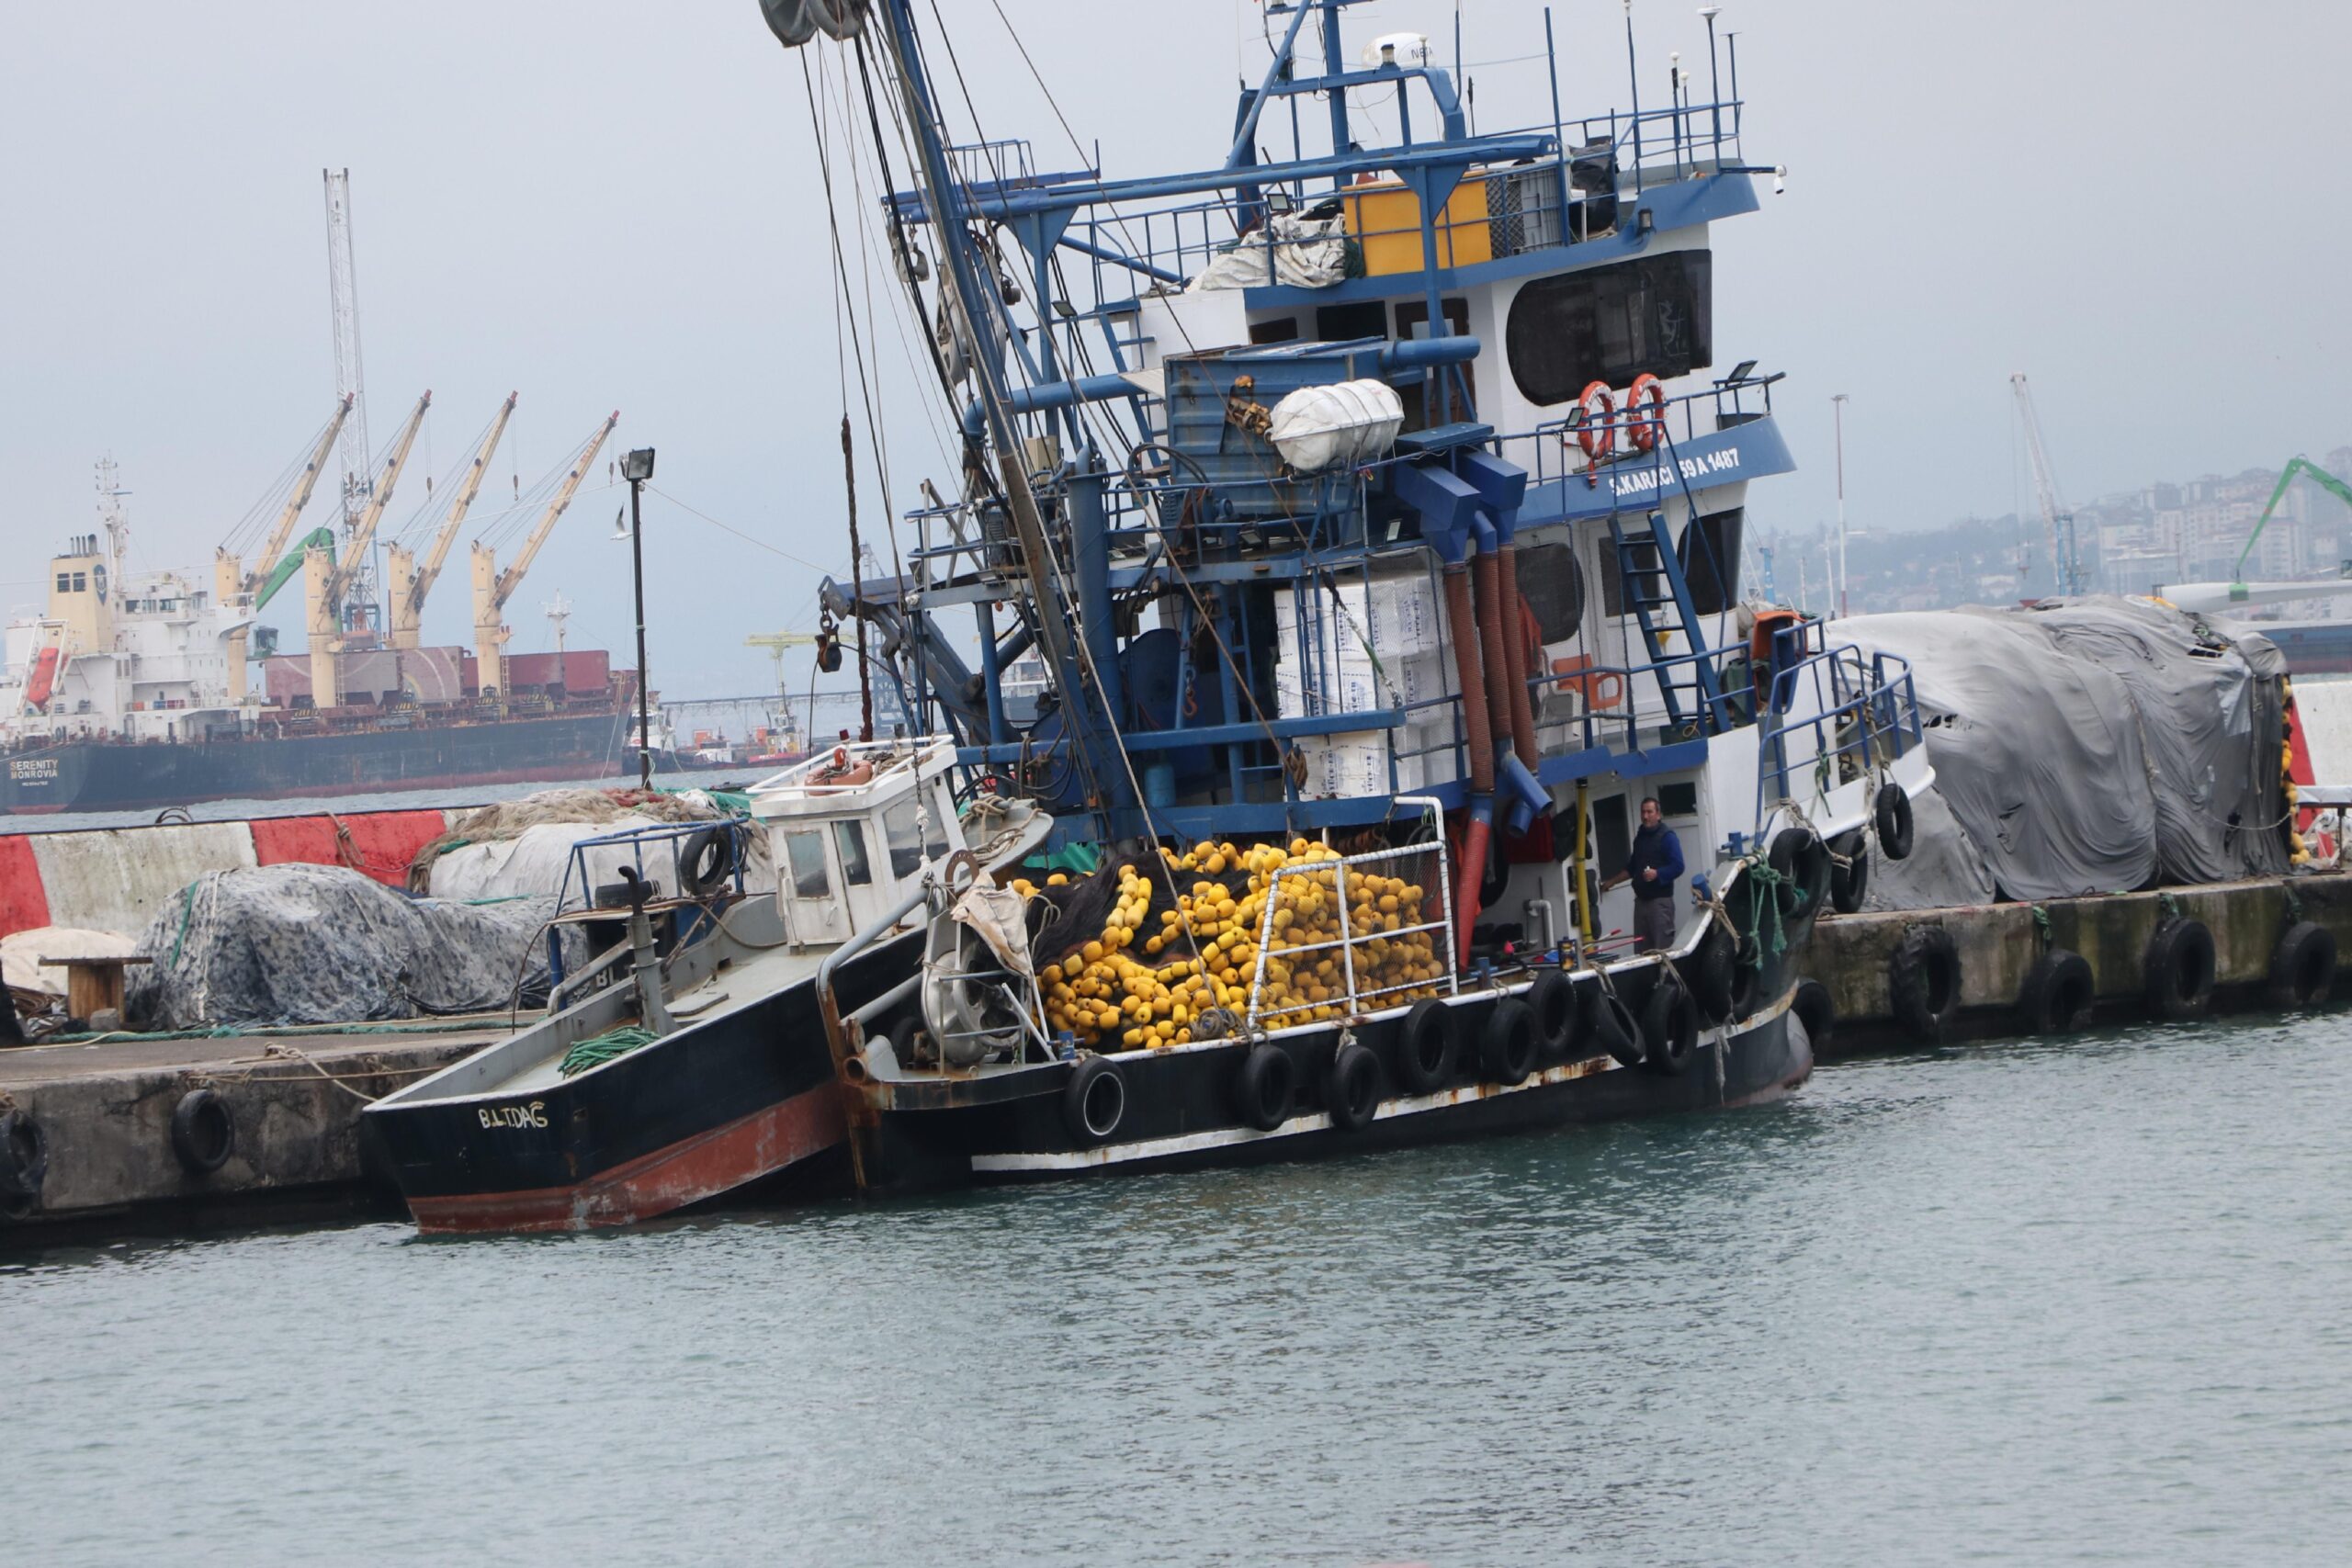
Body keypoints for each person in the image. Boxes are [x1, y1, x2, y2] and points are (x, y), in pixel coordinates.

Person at [1605, 796, 1685, 953]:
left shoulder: (1667, 837)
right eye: (1643, 812)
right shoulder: (1640, 838)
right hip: (1641, 903)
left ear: (1658, 815)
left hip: (1660, 903)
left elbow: (1678, 866)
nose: (1645, 816)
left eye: (1649, 812)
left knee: (1662, 950)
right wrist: (1611, 882)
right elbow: (1632, 867)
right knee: (1642, 951)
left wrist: (1658, 874)